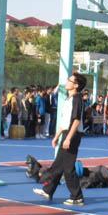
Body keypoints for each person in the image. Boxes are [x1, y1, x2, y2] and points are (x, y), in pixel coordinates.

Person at [33, 73, 88, 206]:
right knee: (58, 165)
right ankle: (48, 190)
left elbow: (75, 121)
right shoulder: (69, 99)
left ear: (76, 85)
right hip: (66, 133)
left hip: (72, 134)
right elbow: (64, 123)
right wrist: (57, 137)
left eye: (70, 80)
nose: (67, 82)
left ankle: (77, 197)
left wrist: (68, 138)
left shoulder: (77, 99)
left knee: (68, 168)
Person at [25, 155, 108, 189]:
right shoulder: (100, 173)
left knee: (48, 175)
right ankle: (34, 169)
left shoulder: (99, 175)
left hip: (77, 173)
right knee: (48, 175)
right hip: (78, 173)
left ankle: (34, 169)